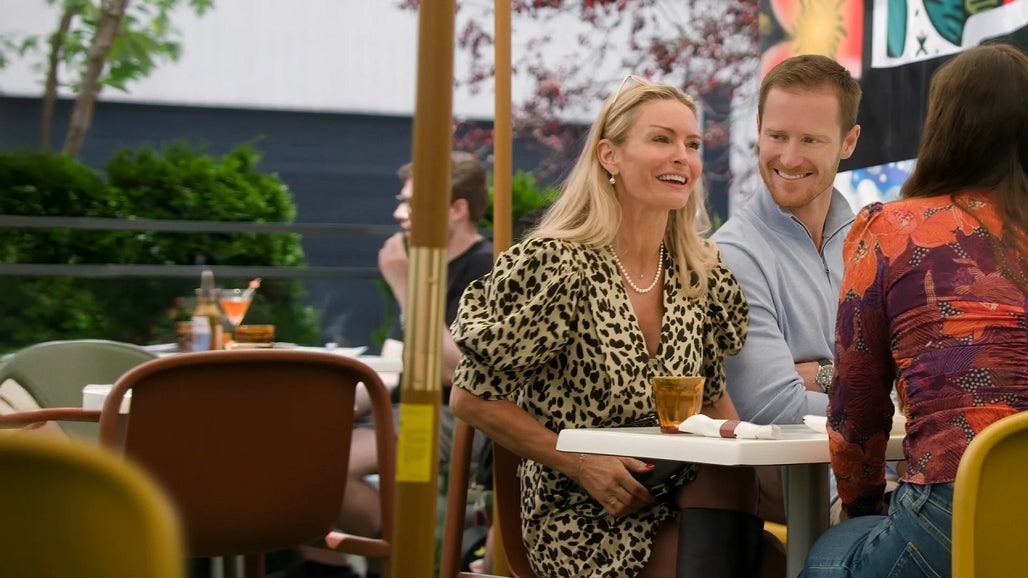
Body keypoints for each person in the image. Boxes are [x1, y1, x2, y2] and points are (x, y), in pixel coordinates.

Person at [449, 76, 761, 578]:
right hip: (581, 507)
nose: (682, 157)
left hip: (676, 492)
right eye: (661, 139)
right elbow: (470, 399)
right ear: (609, 155)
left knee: (750, 505)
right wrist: (580, 463)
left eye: (692, 144)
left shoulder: (697, 272)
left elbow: (711, 403)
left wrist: (760, 456)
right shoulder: (556, 264)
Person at [801, 42, 1028, 577]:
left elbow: (857, 406)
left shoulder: (892, 231)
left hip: (957, 506)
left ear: (945, 127)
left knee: (831, 552)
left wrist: (862, 505)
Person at [296, 151, 494, 578]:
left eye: (412, 203)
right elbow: (397, 360)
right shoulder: (429, 265)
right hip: (405, 404)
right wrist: (338, 403)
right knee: (298, 444)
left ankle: (399, 558)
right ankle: (329, 565)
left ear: (457, 209)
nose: (399, 213)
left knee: (320, 467)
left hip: (452, 412)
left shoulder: (485, 267)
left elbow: (458, 372)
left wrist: (406, 287)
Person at [711, 54, 863, 525]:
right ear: (757, 129)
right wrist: (867, 384)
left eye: (811, 140)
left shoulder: (870, 240)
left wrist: (822, 375)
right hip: (825, 504)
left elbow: (915, 383)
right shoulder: (731, 254)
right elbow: (773, 407)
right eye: (777, 136)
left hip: (897, 486)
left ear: (849, 142)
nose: (790, 158)